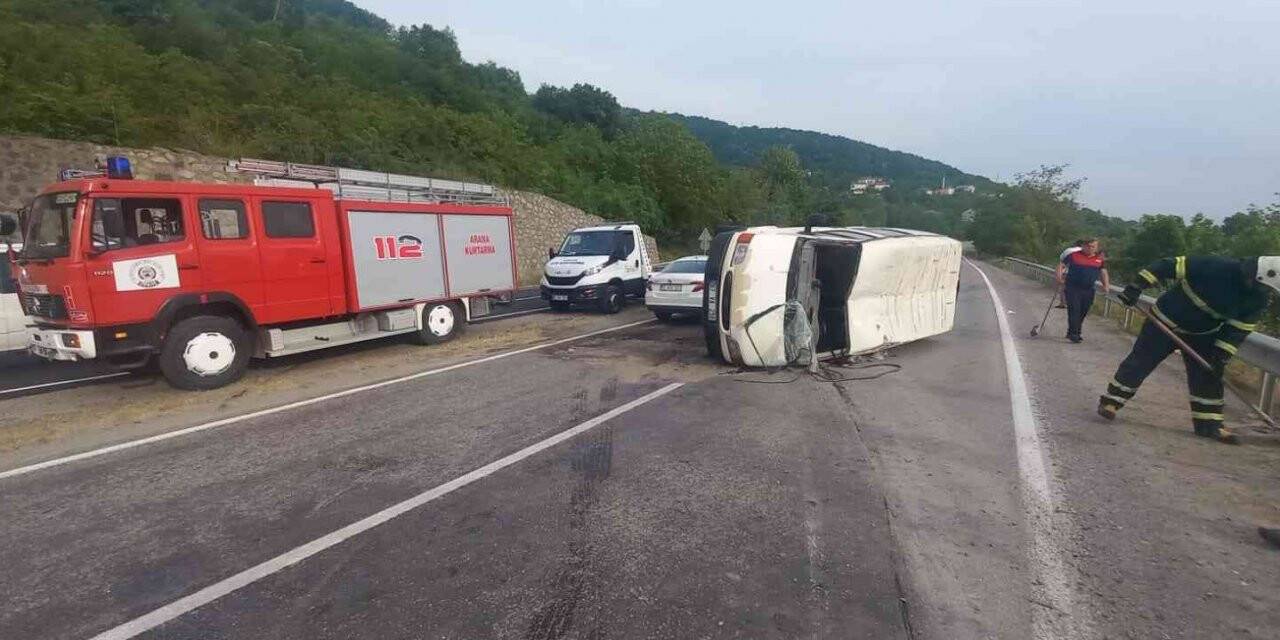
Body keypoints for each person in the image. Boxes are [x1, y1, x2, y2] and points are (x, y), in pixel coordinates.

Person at [1098, 255, 1280, 444]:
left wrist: (1222, 355)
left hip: (1203, 333)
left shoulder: (1257, 300)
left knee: (1209, 375)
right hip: (1164, 322)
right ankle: (1112, 402)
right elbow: (1165, 265)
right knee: (1141, 361)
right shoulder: (1216, 266)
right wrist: (1138, 286)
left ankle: (1209, 425)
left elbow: (1237, 330)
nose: (1266, 291)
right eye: (1264, 287)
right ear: (1255, 276)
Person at [1055, 238, 1109, 343]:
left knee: (1083, 311)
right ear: (1083, 246)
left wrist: (1106, 285)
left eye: (1093, 246)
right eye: (1088, 246)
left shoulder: (1099, 260)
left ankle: (1072, 331)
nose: (1090, 248)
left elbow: (1103, 272)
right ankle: (1074, 334)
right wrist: (1059, 277)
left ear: (1096, 247)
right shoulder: (1073, 256)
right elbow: (1061, 266)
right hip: (1073, 287)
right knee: (1074, 309)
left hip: (1088, 289)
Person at [1055, 240, 1085, 308]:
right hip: (1081, 273)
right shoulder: (1085, 252)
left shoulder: (1068, 250)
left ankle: (1063, 303)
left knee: (1064, 288)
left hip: (1067, 272)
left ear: (1075, 244)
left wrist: (1059, 275)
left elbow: (1061, 260)